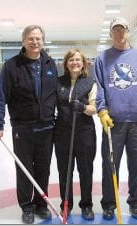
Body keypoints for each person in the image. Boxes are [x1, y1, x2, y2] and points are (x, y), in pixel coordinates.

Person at [0, 25, 58, 224]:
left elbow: (55, 92)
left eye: (38, 38)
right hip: (23, 127)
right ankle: (26, 206)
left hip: (47, 126)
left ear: (43, 41)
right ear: (23, 41)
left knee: (43, 169)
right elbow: (1, 95)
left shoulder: (49, 63)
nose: (34, 42)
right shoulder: (12, 66)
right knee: (24, 169)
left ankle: (40, 203)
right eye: (30, 38)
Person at [94, 17, 137, 220]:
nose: (119, 33)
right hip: (113, 121)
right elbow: (100, 87)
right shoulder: (103, 58)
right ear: (111, 33)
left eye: (122, 29)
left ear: (128, 31)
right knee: (110, 164)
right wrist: (102, 110)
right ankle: (109, 203)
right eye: (115, 30)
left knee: (136, 163)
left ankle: (136, 203)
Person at [54, 49, 97, 221]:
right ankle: (66, 205)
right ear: (66, 64)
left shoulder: (90, 82)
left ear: (83, 63)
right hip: (63, 132)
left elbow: (94, 108)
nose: (75, 62)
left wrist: (83, 107)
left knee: (85, 170)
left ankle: (86, 205)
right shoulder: (58, 82)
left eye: (78, 59)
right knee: (64, 171)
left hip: (84, 132)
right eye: (71, 59)